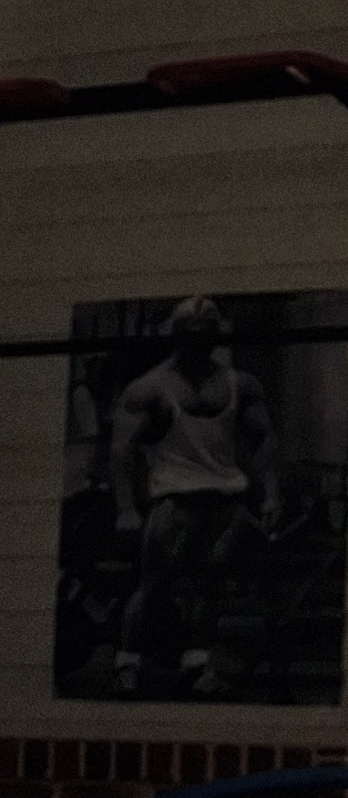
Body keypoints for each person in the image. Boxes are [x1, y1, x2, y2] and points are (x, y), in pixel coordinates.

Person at [110, 297, 280, 695]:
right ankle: (127, 663)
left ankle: (198, 664)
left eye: (205, 334)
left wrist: (271, 494)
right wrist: (125, 509)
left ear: (215, 336)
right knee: (155, 585)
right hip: (173, 500)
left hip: (224, 499)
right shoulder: (150, 387)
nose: (198, 342)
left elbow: (265, 439)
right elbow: (121, 450)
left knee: (210, 584)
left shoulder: (240, 384)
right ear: (177, 335)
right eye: (190, 334)